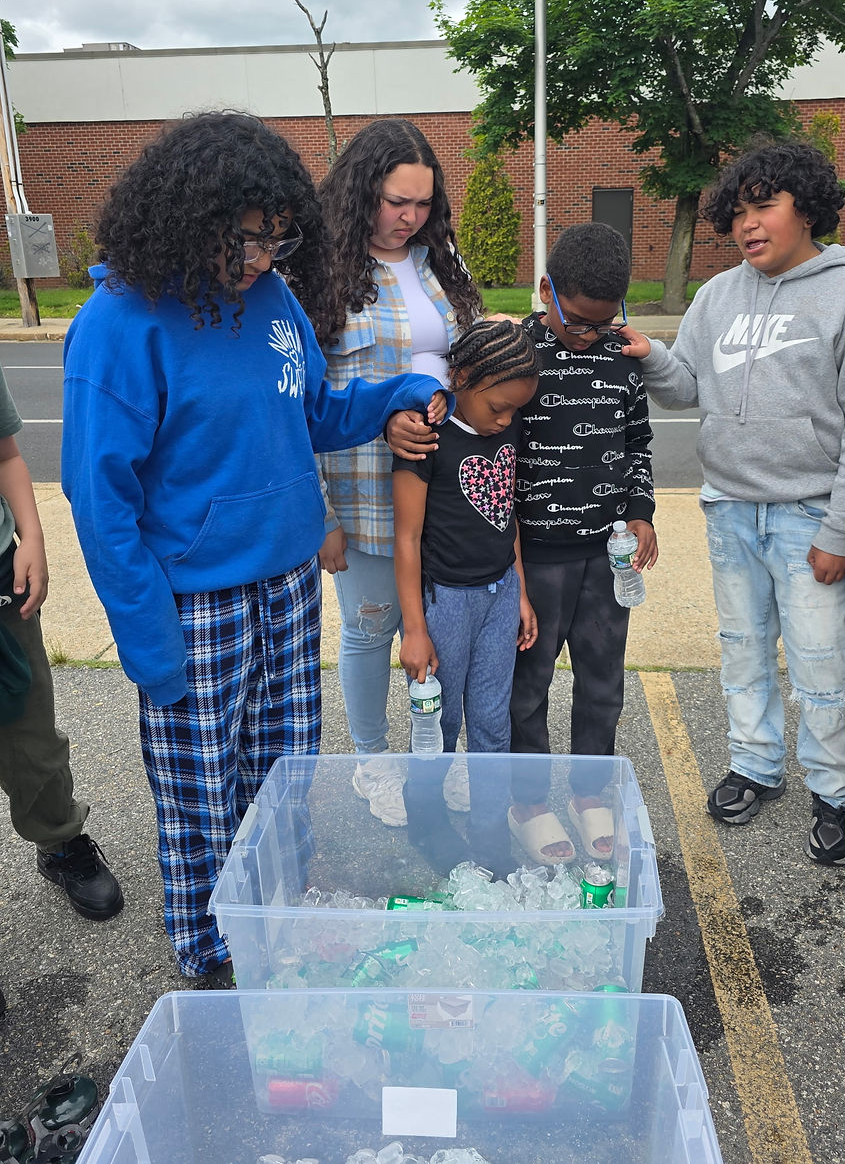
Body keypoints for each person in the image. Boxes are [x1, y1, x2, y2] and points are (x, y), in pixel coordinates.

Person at [60, 111, 449, 985]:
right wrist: (150, 647)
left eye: (279, 240)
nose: (263, 261)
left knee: (283, 778)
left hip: (287, 585)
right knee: (203, 795)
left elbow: (314, 413)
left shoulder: (273, 299)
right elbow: (101, 506)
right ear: (188, 220)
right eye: (245, 242)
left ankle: (277, 913)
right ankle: (212, 954)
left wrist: (397, 390)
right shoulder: (119, 324)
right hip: (194, 602)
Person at [620, 138, 845, 865]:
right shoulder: (718, 296)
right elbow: (689, 389)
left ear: (806, 207)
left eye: (765, 205)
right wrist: (650, 355)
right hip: (729, 508)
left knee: (823, 663)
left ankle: (837, 792)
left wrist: (842, 529)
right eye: (738, 211)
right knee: (742, 651)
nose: (748, 224)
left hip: (811, 518)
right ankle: (755, 764)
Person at [299, 118, 482, 828]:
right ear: (359, 193)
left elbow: (465, 358)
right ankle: (374, 759)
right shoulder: (318, 273)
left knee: (439, 623)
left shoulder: (440, 262)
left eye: (423, 205)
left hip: (445, 482)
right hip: (360, 487)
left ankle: (431, 752)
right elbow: (299, 401)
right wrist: (322, 515)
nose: (409, 218)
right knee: (372, 627)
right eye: (395, 202)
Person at [509, 222, 658, 866]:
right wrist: (508, 573)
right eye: (576, 322)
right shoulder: (513, 355)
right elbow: (492, 459)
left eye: (605, 322)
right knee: (527, 687)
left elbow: (638, 442)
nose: (590, 334)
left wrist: (642, 511)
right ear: (547, 292)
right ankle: (529, 801)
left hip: (606, 555)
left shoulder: (620, 357)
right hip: (536, 558)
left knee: (602, 681)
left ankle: (590, 791)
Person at [392, 319, 539, 871]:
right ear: (464, 377)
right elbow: (406, 539)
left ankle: (489, 834)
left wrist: (520, 590)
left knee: (491, 721)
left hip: (500, 594)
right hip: (445, 601)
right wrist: (415, 629)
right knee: (440, 722)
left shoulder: (508, 427)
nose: (506, 420)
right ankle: (426, 821)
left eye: (514, 412)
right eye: (498, 406)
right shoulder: (424, 440)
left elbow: (509, 514)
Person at [0, 368, 122, 922]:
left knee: (30, 736)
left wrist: (32, 535)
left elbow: (6, 456)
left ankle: (59, 839)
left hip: (3, 583)